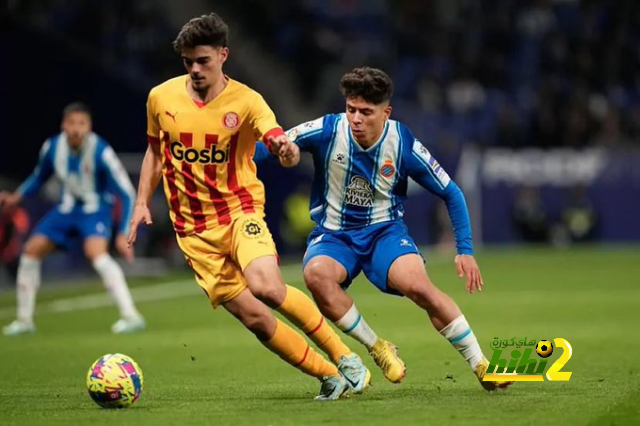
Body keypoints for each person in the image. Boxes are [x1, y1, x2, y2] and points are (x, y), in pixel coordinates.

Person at [126, 13, 369, 401]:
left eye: (203, 60)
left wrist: (286, 151)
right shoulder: (160, 97)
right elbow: (155, 154)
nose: (195, 69)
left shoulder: (247, 101)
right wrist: (141, 202)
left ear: (223, 55)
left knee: (267, 287)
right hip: (192, 231)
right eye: (188, 61)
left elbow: (281, 146)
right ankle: (328, 375)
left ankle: (344, 355)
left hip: (240, 213)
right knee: (255, 318)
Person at [255, 67, 515, 391]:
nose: (356, 119)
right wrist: (229, 158)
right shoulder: (326, 129)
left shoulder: (401, 141)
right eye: (351, 109)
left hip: (384, 232)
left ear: (386, 112)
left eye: (366, 112)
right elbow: (269, 145)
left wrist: (465, 250)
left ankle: (481, 364)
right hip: (335, 235)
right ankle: (377, 346)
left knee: (418, 286)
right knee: (316, 276)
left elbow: (451, 191)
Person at [0, 102, 145, 335]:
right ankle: (24, 321)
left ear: (89, 127)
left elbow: (127, 192)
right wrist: (17, 197)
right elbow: (39, 176)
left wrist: (122, 232)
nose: (77, 129)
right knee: (31, 251)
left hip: (95, 210)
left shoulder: (101, 151)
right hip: (65, 210)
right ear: (63, 126)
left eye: (82, 123)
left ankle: (131, 315)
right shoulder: (52, 147)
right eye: (72, 123)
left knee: (96, 255)